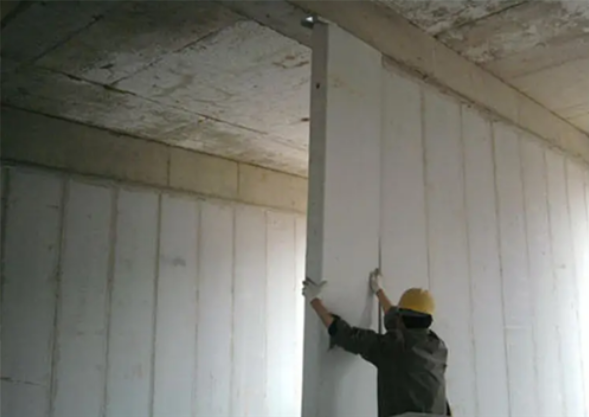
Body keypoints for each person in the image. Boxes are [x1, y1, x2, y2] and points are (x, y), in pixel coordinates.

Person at [302, 271, 451, 417]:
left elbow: (347, 335)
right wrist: (379, 291)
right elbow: (400, 322)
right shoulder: (438, 347)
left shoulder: (391, 348)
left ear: (400, 319)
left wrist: (314, 300)